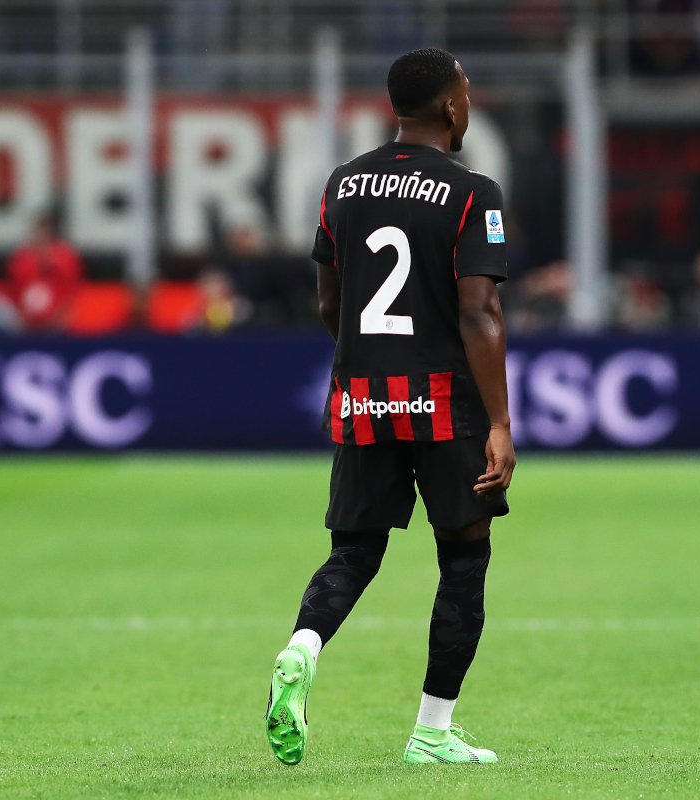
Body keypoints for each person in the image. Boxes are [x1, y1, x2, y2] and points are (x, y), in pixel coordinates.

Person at [265, 48, 514, 767]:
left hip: (363, 398)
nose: (467, 103)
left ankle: (301, 648)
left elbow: (328, 301)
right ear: (449, 107)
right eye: (465, 92)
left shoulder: (341, 184)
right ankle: (431, 731)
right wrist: (498, 422)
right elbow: (481, 312)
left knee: (354, 551)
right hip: (444, 404)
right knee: (463, 559)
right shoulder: (472, 191)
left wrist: (369, 370)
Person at [3, 214, 84, 333]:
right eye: (37, 234)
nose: (40, 239)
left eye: (45, 236)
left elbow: (71, 293)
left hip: (59, 323)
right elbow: (13, 293)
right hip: (25, 324)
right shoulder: (19, 260)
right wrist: (24, 317)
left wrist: (58, 317)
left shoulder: (67, 259)